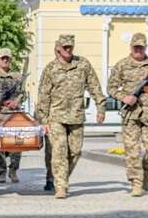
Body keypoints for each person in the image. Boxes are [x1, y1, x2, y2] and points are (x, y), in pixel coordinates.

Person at [37, 34, 106, 199]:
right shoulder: (51, 68)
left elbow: (95, 86)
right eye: (65, 47)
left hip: (76, 115)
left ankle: (61, 177)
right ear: (58, 48)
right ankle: (61, 186)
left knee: (75, 151)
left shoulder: (82, 64)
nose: (68, 50)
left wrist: (101, 108)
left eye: (70, 47)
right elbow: (43, 95)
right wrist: (43, 120)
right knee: (59, 151)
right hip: (56, 117)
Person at [108, 32, 148, 196]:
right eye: (135, 47)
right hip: (131, 114)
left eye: (141, 47)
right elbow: (111, 88)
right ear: (131, 47)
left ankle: (145, 174)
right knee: (132, 151)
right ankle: (136, 183)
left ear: (145, 48)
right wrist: (124, 97)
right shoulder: (121, 65)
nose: (138, 50)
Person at [0, 47, 26, 184]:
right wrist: (0, 102)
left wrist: (16, 101)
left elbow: (23, 93)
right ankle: (2, 172)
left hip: (14, 115)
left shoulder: (17, 76)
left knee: (17, 144)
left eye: (7, 58)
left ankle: (13, 170)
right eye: (2, 58)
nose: (5, 60)